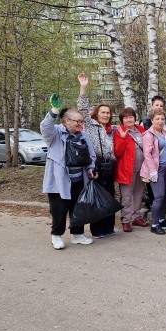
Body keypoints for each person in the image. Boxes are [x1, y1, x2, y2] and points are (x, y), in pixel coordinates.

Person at [41, 95, 96, 250]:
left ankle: (77, 234)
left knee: (78, 208)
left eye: (81, 121)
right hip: (60, 181)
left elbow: (90, 155)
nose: (80, 124)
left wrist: (91, 169)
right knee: (59, 209)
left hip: (79, 179)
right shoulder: (55, 134)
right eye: (77, 121)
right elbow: (45, 127)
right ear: (66, 120)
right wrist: (54, 110)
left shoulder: (83, 136)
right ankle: (56, 235)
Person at [77, 73, 117, 238]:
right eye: (103, 112)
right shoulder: (90, 125)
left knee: (109, 196)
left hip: (109, 166)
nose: (106, 115)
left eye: (108, 113)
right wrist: (83, 87)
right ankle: (97, 228)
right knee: (97, 196)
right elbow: (82, 109)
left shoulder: (112, 130)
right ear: (96, 114)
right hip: (97, 164)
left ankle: (109, 226)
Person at [141, 108, 166, 235]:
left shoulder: (165, 132)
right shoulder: (149, 135)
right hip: (157, 169)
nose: (160, 121)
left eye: (162, 119)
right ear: (152, 120)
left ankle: (161, 219)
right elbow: (147, 154)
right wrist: (152, 171)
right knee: (159, 196)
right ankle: (154, 224)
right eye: (157, 119)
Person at [113, 107, 147, 233]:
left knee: (139, 194)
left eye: (131, 117)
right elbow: (117, 152)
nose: (128, 119)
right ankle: (126, 220)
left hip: (141, 169)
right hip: (127, 170)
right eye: (125, 117)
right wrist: (122, 138)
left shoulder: (140, 129)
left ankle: (136, 217)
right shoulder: (119, 132)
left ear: (134, 118)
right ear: (122, 120)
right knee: (127, 196)